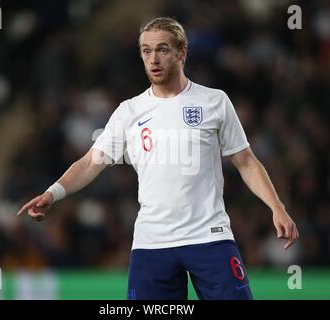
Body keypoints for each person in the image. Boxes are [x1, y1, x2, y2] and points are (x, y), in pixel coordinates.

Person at [17, 17, 299, 300]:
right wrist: (52, 194)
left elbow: (246, 161)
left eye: (162, 49)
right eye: (146, 50)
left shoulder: (214, 101)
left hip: (209, 237)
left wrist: (276, 207)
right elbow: (91, 162)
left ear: (182, 52)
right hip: (152, 243)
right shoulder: (130, 111)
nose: (153, 58)